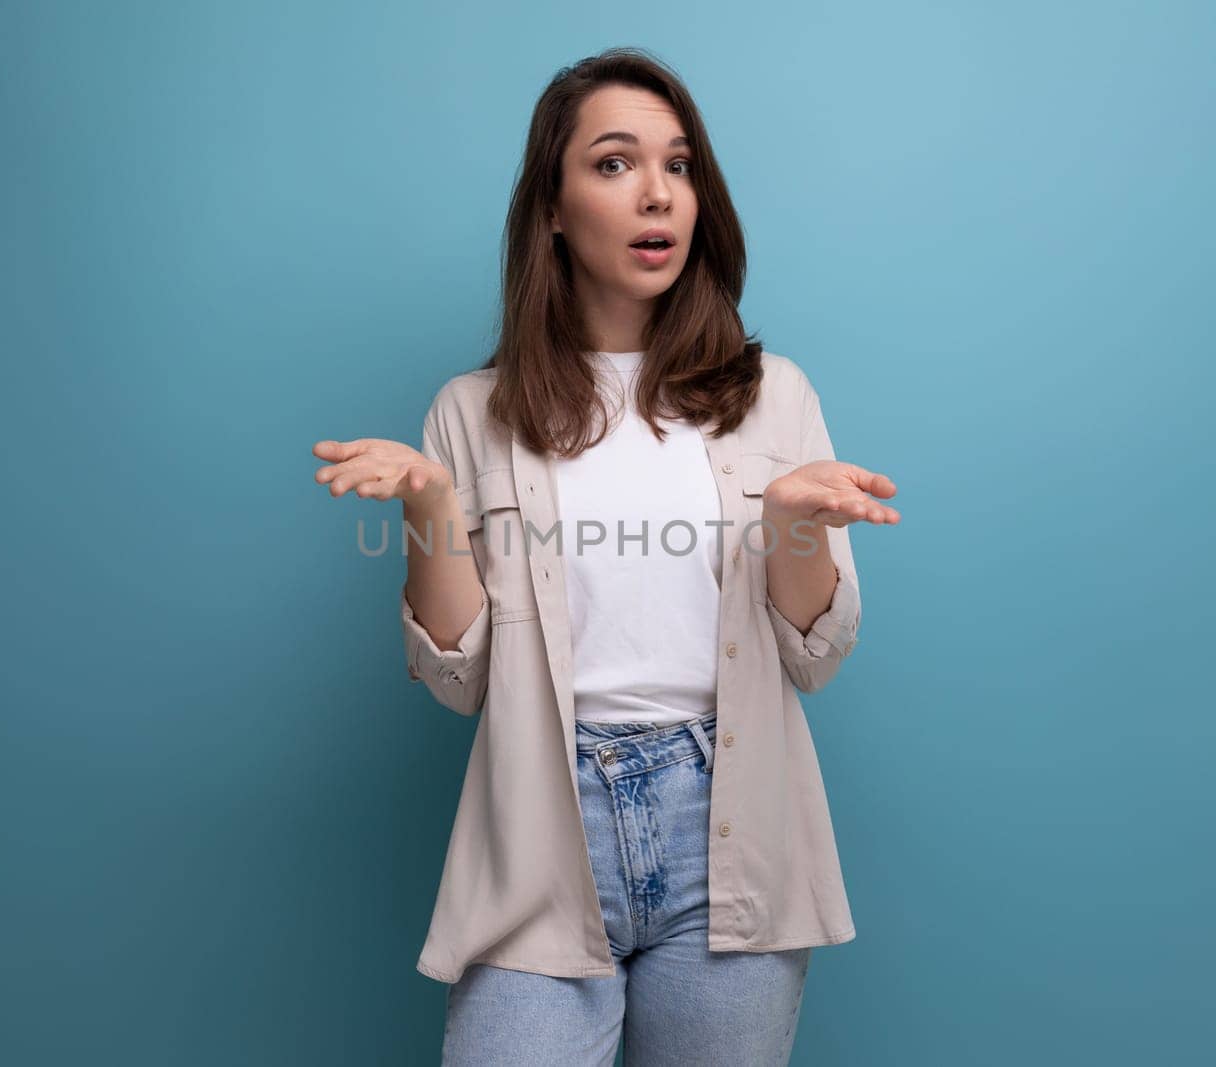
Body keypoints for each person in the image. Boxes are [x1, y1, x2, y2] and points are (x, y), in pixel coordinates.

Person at [313, 47, 900, 1067]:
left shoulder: (774, 396)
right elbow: (459, 681)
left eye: (678, 166)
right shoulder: (469, 412)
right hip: (540, 823)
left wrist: (796, 527)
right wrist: (430, 507)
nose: (657, 193)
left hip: (729, 828)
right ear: (552, 203)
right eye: (616, 163)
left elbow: (815, 656)